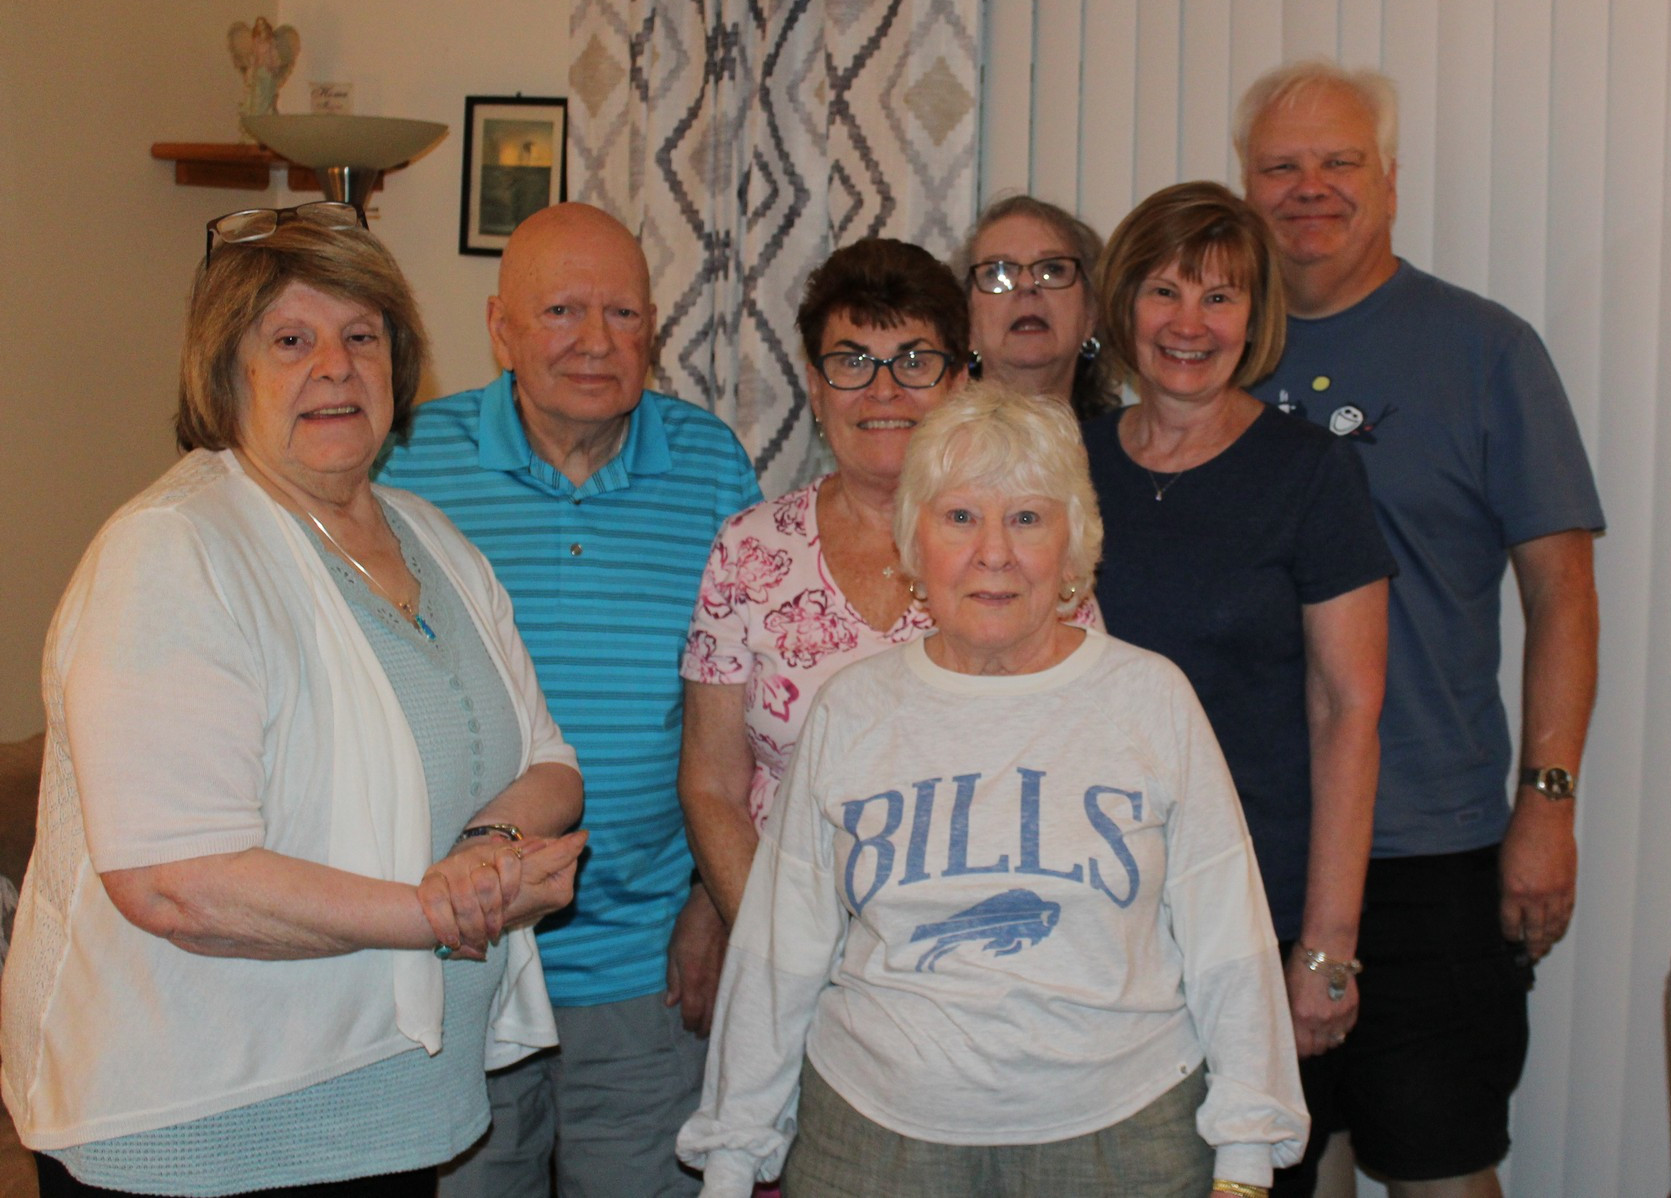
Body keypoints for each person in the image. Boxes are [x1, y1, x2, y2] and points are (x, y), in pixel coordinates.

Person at [0, 205, 587, 1197]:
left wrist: (485, 848)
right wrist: (435, 911)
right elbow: (176, 882)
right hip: (202, 1127)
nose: (334, 366)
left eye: (361, 336)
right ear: (225, 372)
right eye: (289, 341)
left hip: (395, 1100)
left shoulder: (434, 538)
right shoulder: (173, 550)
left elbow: (548, 761)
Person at [678, 383, 1307, 1198]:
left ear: (1074, 547)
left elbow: (1228, 937)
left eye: (1027, 518)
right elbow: (778, 949)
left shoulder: (1149, 697)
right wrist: (732, 1157)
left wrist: (1247, 1156)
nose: (993, 553)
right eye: (959, 517)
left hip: (1125, 1138)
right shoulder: (851, 707)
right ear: (913, 543)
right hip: (871, 1138)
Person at [1235, 61, 1604, 1197]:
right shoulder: (1204, 350)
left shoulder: (1486, 350)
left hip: (1429, 852)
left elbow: (1563, 595)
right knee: (1278, 1168)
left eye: (1339, 161)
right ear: (1245, 186)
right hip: (1247, 853)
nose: (1309, 187)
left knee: (1441, 1169)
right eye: (1280, 166)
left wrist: (1547, 804)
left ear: (1389, 179)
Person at [376, 202, 763, 1197]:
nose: (596, 340)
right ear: (499, 328)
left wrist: (714, 901)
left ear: (654, 331)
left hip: (646, 974)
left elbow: (761, 712)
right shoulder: (405, 461)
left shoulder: (711, 463)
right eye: (561, 311)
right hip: (457, 960)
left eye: (623, 314)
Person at [1082, 180, 1394, 1193]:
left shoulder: (1312, 474)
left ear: (1255, 319)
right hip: (1092, 918)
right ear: (1124, 304)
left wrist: (1327, 949)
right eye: (1165, 291)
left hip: (1252, 920)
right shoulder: (1068, 464)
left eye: (1220, 297)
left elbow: (1349, 710)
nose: (1190, 323)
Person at [678, 237, 1099, 930]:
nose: (883, 390)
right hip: (783, 932)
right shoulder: (748, 550)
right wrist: (775, 950)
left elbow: (1080, 766)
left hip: (982, 943)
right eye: (851, 362)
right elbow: (711, 784)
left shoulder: (1025, 545)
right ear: (815, 387)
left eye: (914, 361)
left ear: (958, 381)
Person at [958, 194, 1117, 417]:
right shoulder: (930, 437)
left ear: (1091, 314)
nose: (1027, 284)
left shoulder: (1125, 438)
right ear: (967, 321)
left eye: (1053, 269)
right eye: (998, 272)